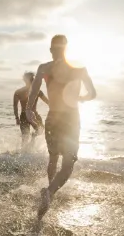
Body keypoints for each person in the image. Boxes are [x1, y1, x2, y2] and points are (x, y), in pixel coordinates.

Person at [26, 35, 96, 218]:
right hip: (71, 118)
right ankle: (50, 192)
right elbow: (93, 93)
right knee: (68, 163)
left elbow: (33, 91)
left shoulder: (44, 68)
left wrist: (28, 110)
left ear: (51, 50)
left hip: (53, 117)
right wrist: (80, 98)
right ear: (66, 49)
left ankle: (50, 195)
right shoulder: (79, 69)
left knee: (53, 157)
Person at [13, 72, 49, 147]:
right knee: (25, 137)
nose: (33, 80)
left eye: (33, 78)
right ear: (25, 80)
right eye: (31, 78)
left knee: (41, 130)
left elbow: (47, 102)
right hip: (24, 116)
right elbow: (15, 105)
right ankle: (23, 154)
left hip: (34, 115)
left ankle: (33, 137)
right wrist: (16, 118)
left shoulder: (38, 91)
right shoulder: (18, 92)